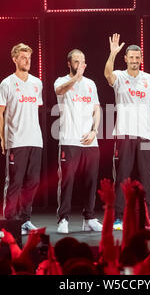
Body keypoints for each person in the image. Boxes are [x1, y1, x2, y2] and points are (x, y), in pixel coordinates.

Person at [104, 33, 150, 230]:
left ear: (141, 59)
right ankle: (119, 218)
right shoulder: (120, 76)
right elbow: (107, 75)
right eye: (131, 57)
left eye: (138, 58)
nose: (135, 61)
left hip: (146, 134)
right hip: (124, 133)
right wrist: (112, 54)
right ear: (126, 59)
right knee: (123, 177)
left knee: (147, 177)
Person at [0, 43, 43, 235]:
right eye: (23, 57)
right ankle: (11, 221)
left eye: (29, 57)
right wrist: (2, 138)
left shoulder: (36, 83)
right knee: (14, 182)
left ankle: (25, 220)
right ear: (14, 59)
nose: (27, 60)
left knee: (33, 182)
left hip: (35, 140)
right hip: (16, 140)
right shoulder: (7, 83)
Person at [54, 49, 102, 234]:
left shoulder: (91, 84)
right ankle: (63, 218)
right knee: (67, 180)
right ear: (69, 64)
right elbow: (60, 90)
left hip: (90, 141)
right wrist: (76, 77)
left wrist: (94, 131)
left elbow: (96, 109)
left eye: (82, 61)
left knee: (91, 181)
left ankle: (89, 218)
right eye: (76, 61)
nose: (79, 64)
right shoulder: (61, 80)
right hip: (69, 139)